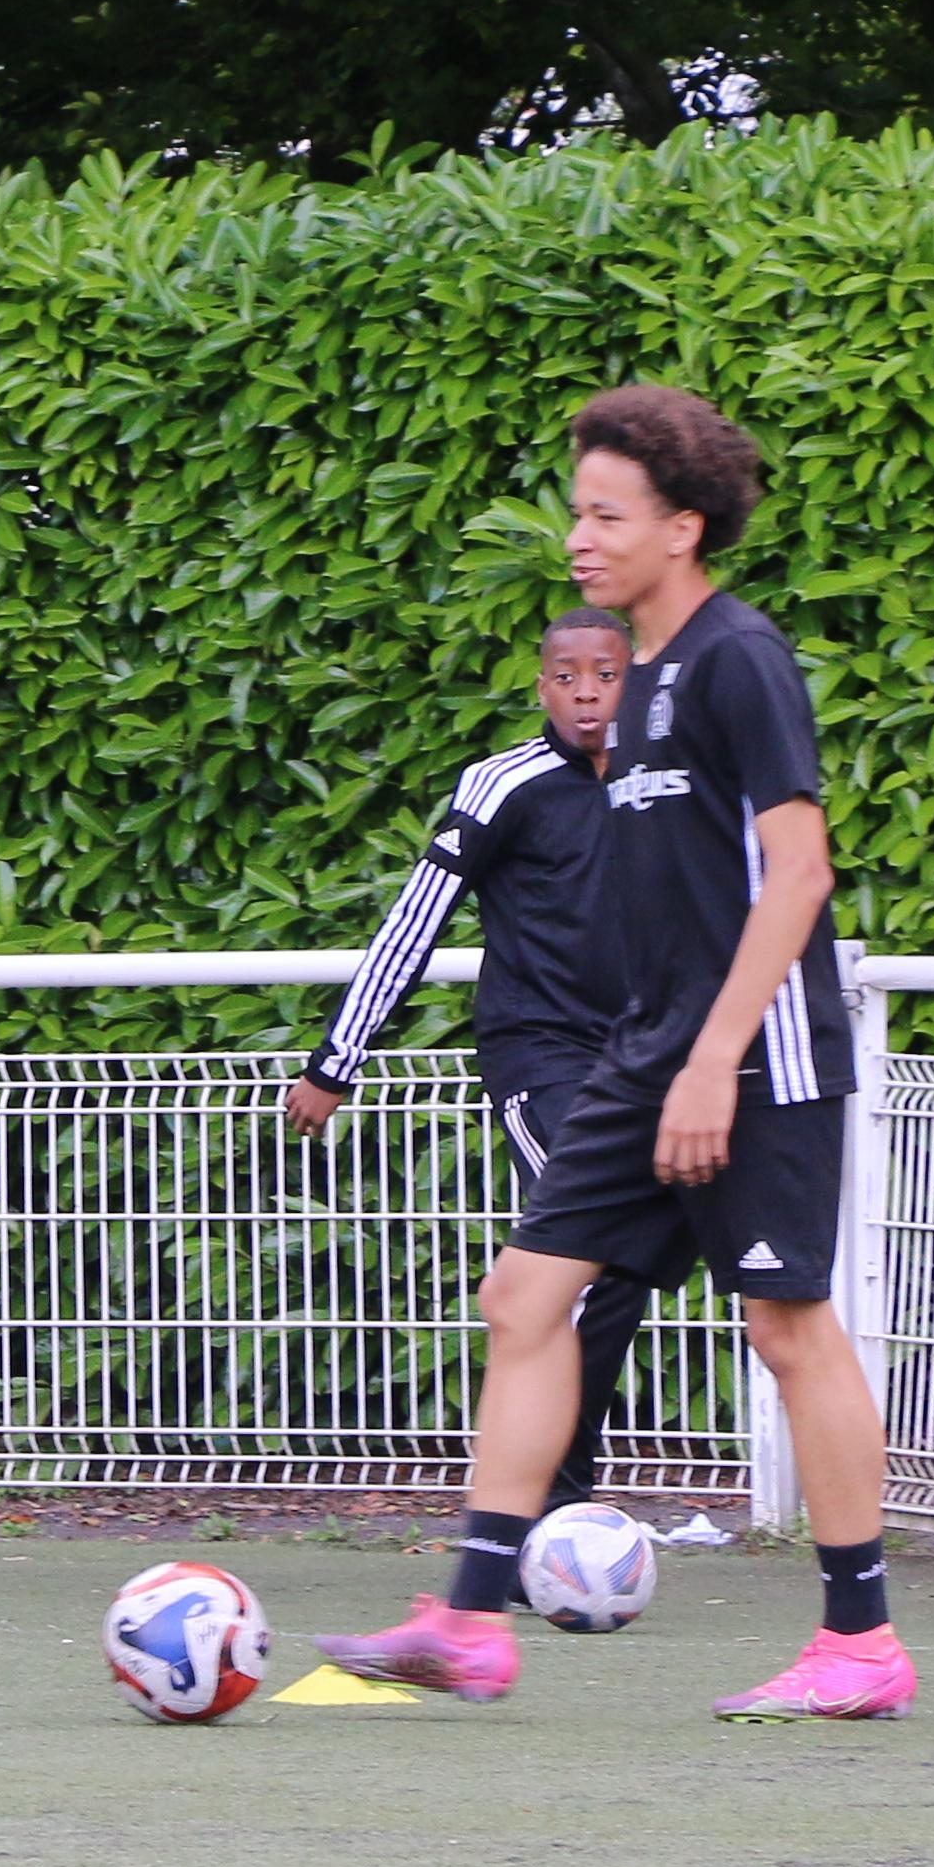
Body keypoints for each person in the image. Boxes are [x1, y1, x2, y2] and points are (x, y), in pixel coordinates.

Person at [318, 385, 910, 1719]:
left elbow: (799, 874)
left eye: (606, 513)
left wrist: (713, 1061)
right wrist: (666, 1055)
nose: (580, 536)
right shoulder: (635, 687)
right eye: (577, 510)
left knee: (788, 1329)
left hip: (756, 1057)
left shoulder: (739, 660)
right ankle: (472, 1619)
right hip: (648, 1055)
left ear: (682, 527)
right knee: (525, 1301)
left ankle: (861, 1644)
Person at [283, 600, 651, 1517]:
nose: (587, 694)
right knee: (587, 1242)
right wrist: (337, 1060)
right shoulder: (501, 785)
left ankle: (557, 1496)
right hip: (542, 1057)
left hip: (646, 1058)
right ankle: (541, 1510)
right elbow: (415, 921)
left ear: (631, 679)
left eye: (605, 674)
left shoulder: (665, 783)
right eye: (567, 677)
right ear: (542, 686)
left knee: (620, 1270)